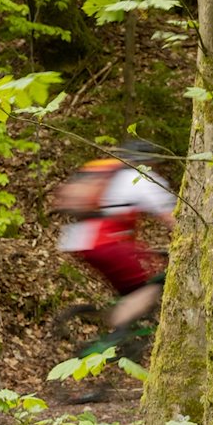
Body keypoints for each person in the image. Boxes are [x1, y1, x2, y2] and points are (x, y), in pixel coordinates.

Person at [56, 139, 175, 334]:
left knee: (131, 286)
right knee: (146, 291)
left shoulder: (114, 175)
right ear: (150, 161)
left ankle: (114, 320)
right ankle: (116, 337)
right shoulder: (145, 179)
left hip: (81, 239)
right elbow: (171, 218)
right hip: (106, 241)